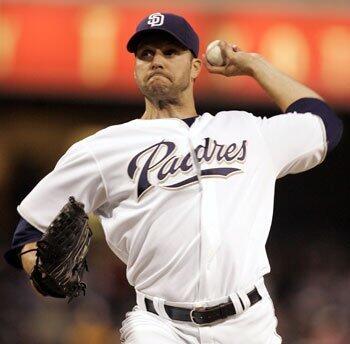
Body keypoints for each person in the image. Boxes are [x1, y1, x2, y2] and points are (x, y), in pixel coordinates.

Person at [5, 12, 343, 343]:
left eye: (170, 52)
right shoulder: (102, 149)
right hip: (159, 325)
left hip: (248, 323)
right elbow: (28, 232)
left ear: (195, 67)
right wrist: (39, 271)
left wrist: (255, 65)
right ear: (136, 68)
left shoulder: (246, 130)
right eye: (146, 54)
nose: (156, 60)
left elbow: (323, 125)